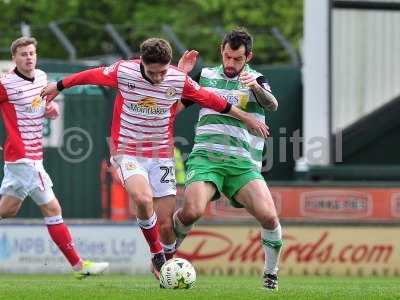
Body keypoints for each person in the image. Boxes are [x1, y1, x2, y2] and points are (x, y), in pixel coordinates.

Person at [40, 37, 268, 278]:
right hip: (128, 148)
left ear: (169, 64)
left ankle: (166, 270)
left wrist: (246, 117)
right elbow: (89, 75)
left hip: (160, 154)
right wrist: (59, 85)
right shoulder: (123, 71)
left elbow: (213, 100)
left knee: (167, 224)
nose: (159, 78)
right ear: (142, 63)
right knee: (142, 198)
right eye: (152, 72)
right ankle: (157, 254)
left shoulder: (178, 79)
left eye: (163, 72)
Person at [173, 28, 282, 290]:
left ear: (248, 57)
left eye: (237, 59)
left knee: (269, 217)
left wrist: (255, 87)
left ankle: (270, 273)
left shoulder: (256, 79)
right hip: (205, 158)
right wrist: (179, 76)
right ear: (222, 51)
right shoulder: (206, 76)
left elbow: (272, 105)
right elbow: (175, 108)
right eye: (227, 56)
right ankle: (164, 255)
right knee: (192, 212)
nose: (231, 63)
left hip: (241, 163)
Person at [0, 37, 109, 278]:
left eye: (31, 53)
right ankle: (79, 266)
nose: (29, 57)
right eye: (23, 54)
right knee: (52, 207)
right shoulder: (6, 84)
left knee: (7, 210)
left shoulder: (41, 77)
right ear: (14, 59)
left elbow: (46, 106)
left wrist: (50, 110)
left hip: (31, 157)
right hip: (23, 157)